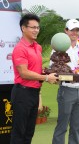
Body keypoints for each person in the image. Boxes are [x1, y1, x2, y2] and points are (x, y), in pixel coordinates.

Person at [10, 13, 58, 144]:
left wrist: (45, 73)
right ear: (23, 28)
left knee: (29, 132)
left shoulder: (38, 47)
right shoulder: (20, 48)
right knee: (19, 133)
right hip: (22, 93)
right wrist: (46, 77)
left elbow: (34, 69)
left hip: (34, 93)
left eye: (37, 27)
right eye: (33, 27)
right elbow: (24, 73)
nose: (36, 30)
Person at [51, 19, 79, 144]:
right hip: (66, 90)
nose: (74, 33)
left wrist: (77, 77)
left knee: (77, 127)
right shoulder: (58, 47)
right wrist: (63, 78)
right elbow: (53, 72)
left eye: (77, 30)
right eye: (72, 30)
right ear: (66, 31)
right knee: (62, 125)